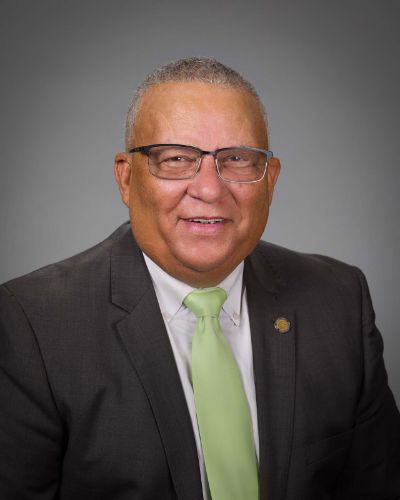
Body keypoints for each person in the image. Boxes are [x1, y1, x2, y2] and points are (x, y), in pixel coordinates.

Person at [0, 57, 399, 500]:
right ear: (126, 178)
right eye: (176, 158)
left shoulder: (339, 301)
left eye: (237, 159)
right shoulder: (31, 324)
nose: (209, 189)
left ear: (270, 180)